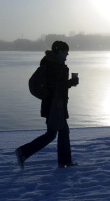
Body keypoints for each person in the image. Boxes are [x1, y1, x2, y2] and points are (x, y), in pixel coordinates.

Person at [15, 40, 79, 169]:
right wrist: (70, 83)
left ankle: (64, 161)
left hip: (57, 104)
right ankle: (23, 152)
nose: (68, 54)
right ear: (60, 51)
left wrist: (68, 83)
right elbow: (55, 87)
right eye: (66, 51)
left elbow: (56, 86)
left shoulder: (56, 64)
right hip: (53, 105)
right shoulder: (52, 65)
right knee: (52, 134)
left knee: (63, 132)